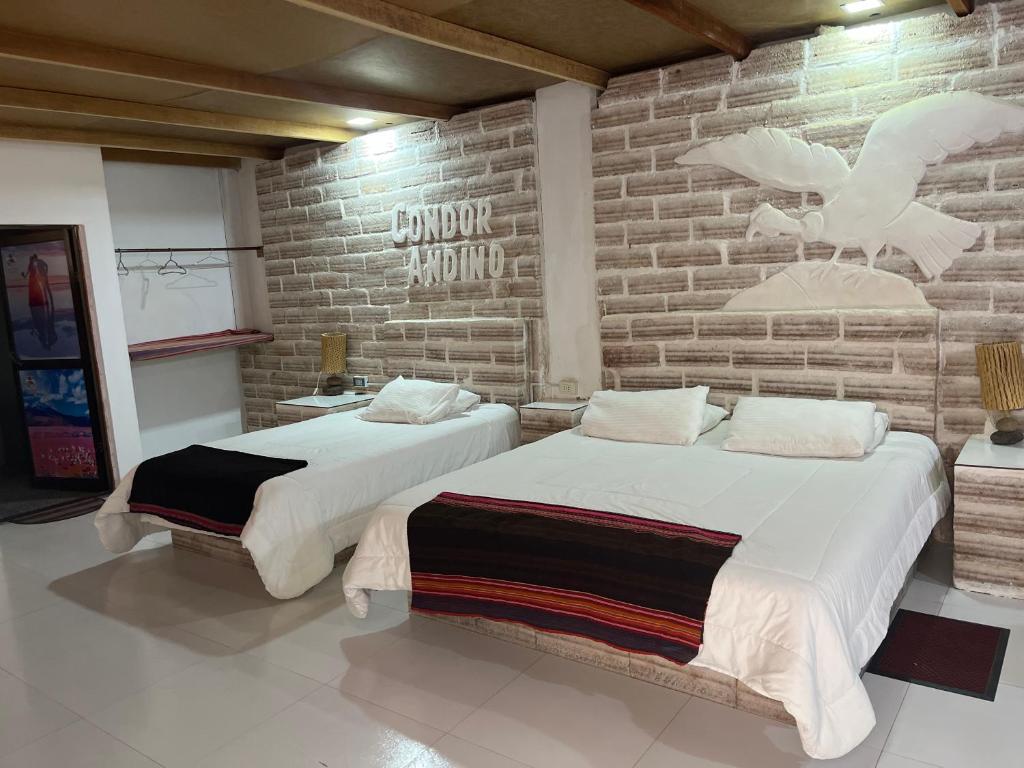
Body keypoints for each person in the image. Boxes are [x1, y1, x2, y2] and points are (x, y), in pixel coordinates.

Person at [24, 253, 55, 351]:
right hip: (34, 280)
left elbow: (45, 266)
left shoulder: (37, 262)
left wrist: (45, 273)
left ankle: (45, 303)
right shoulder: (33, 264)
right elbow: (27, 273)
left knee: (43, 290)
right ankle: (42, 303)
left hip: (37, 279)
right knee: (40, 291)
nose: (33, 259)